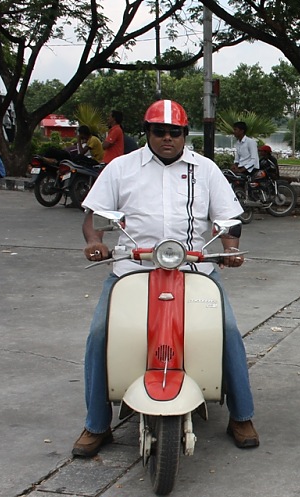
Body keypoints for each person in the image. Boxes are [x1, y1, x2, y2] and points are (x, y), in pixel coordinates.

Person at [72, 99, 259, 457]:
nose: (167, 138)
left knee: (228, 331)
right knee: (99, 333)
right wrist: (95, 242)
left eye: (175, 132)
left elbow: (228, 217)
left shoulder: (205, 169)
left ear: (185, 134)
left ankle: (242, 415)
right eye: (159, 131)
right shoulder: (121, 168)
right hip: (132, 268)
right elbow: (95, 214)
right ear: (147, 133)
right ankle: (97, 424)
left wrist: (231, 246)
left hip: (195, 268)